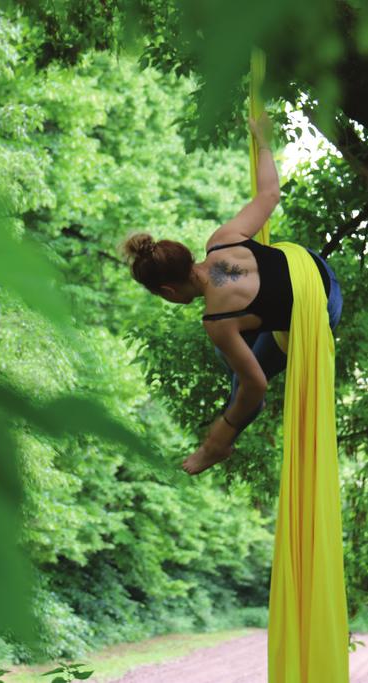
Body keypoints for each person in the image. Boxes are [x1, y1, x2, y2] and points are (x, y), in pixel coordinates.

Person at [120, 113, 343, 475]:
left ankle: (216, 446)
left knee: (243, 383)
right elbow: (270, 194)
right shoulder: (221, 240)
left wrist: (222, 427)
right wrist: (265, 141)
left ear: (168, 289)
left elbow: (256, 387)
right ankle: (222, 432)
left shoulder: (218, 320)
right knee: (237, 353)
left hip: (321, 308)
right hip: (318, 269)